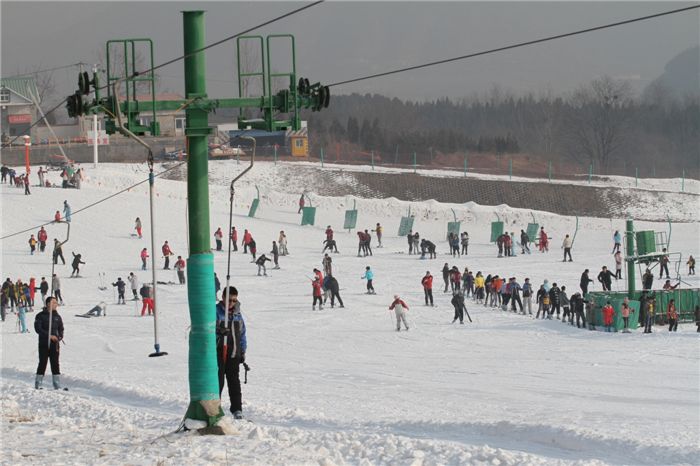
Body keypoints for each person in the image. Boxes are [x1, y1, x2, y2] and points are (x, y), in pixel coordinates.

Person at [216, 286, 247, 419]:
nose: (232, 303)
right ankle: (215, 407)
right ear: (223, 298)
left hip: (234, 353)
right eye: (229, 300)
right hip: (219, 352)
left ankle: (237, 409)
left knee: (234, 381)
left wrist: (242, 350)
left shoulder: (237, 315)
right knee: (218, 380)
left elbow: (242, 333)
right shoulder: (216, 312)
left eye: (234, 300)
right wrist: (218, 331)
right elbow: (209, 329)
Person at [34, 296, 64, 390]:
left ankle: (57, 383)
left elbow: (61, 329)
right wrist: (49, 336)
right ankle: (38, 383)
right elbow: (38, 329)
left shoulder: (57, 317)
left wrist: (58, 337)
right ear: (48, 304)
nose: (56, 304)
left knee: (55, 363)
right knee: (43, 362)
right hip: (43, 343)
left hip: (54, 344)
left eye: (56, 303)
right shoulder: (40, 316)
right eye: (54, 303)